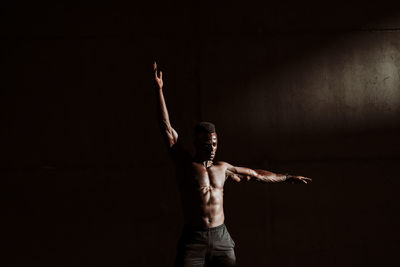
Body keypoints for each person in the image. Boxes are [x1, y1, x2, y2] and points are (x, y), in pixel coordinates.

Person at [153, 62, 311, 267]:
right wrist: (159, 90)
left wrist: (287, 177)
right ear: (197, 143)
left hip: (221, 239)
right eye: (207, 143)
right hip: (194, 240)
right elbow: (166, 128)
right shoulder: (185, 164)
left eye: (215, 143)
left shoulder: (223, 168)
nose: (212, 147)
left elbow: (255, 174)